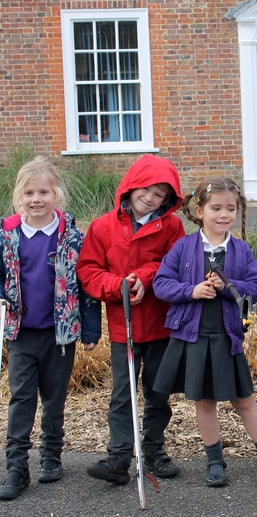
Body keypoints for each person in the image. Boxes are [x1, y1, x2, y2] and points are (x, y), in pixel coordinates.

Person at [152, 178, 257, 488]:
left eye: (230, 209)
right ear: (199, 211)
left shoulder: (240, 250)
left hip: (227, 338)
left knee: (244, 400)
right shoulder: (184, 247)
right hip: (194, 337)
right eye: (216, 208)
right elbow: (161, 284)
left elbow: (255, 288)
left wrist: (229, 287)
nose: (223, 215)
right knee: (204, 402)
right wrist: (192, 290)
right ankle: (215, 461)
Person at [76, 154, 185, 485]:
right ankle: (119, 456)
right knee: (123, 393)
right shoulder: (103, 227)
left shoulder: (172, 227)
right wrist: (116, 285)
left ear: (167, 202)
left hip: (158, 324)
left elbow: (175, 263)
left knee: (156, 392)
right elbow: (88, 270)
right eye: (146, 189)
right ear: (132, 184)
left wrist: (144, 277)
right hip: (123, 328)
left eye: (159, 196)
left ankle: (153, 450)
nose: (150, 198)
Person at [0, 156, 101, 501]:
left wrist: (89, 331)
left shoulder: (71, 237)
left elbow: (87, 287)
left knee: (54, 398)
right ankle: (16, 466)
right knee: (22, 397)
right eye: (29, 192)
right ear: (19, 196)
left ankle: (51, 456)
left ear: (56, 194)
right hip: (21, 333)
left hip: (59, 334)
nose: (36, 199)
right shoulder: (7, 235)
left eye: (43, 191)